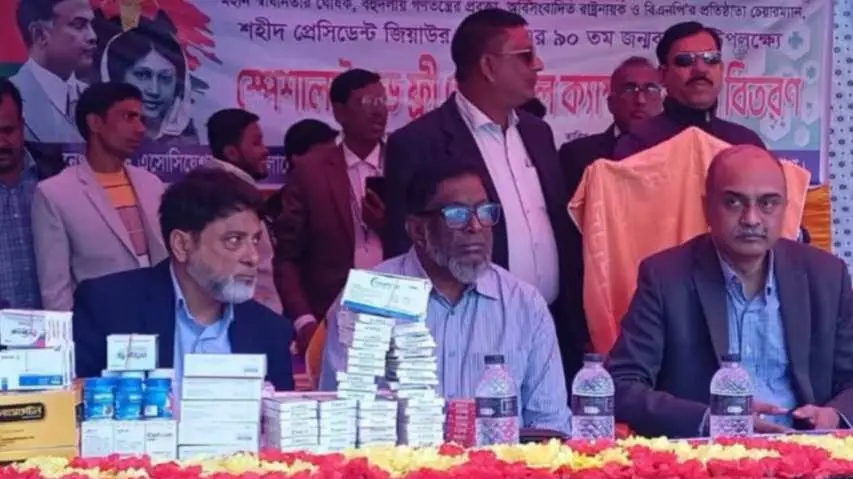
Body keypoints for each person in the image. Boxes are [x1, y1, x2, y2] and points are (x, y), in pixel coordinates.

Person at [382, 8, 585, 380]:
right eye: (525, 56)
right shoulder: (419, 142)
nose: (538, 65)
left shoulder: (538, 133)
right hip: (470, 335)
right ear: (489, 66)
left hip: (551, 324)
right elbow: (404, 249)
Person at [607, 144, 853, 438]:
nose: (751, 219)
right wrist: (710, 420)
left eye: (768, 203)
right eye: (734, 203)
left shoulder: (826, 275)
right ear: (706, 207)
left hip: (809, 451)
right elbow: (621, 384)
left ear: (785, 208)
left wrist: (834, 415)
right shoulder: (666, 277)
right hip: (706, 453)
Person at [321, 163, 571, 434]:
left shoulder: (524, 305)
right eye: (457, 215)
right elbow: (340, 421)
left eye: (485, 212)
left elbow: (549, 425)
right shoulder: (366, 301)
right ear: (418, 230)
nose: (475, 226)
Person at [72, 168, 294, 390]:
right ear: (182, 245)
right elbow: (73, 401)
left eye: (255, 240)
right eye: (234, 240)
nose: (253, 257)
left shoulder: (271, 332)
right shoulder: (109, 309)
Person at [275, 69, 387, 354]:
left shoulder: (405, 161)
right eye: (367, 103)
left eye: (382, 102)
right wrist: (304, 321)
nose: (378, 112)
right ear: (339, 113)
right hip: (332, 319)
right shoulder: (311, 171)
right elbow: (288, 257)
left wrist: (388, 226)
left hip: (399, 314)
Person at [31, 82, 168, 311]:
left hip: (158, 315)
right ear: (95, 123)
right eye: (128, 117)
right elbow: (55, 289)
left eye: (141, 119)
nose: (140, 129)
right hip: (100, 323)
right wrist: (68, 332)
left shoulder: (151, 184)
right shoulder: (55, 193)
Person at [612, 22, 764, 160]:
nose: (700, 69)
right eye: (685, 60)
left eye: (711, 59)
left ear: (722, 70)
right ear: (663, 75)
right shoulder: (637, 145)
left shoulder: (745, 144)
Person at [201, 108, 282, 315]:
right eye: (256, 143)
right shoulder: (223, 194)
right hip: (242, 314)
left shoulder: (231, 187)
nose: (265, 151)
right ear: (232, 153)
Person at [0, 79, 64, 309]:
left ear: (22, 124)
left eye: (7, 130)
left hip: (57, 326)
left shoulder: (56, 178)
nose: (1, 143)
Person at [559, 56, 662, 197]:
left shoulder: (678, 152)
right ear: (611, 103)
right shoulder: (576, 155)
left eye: (650, 89)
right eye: (629, 90)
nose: (640, 100)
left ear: (661, 100)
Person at [98, 16, 196, 144]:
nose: (154, 90)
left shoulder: (192, 146)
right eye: (143, 75)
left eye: (165, 78)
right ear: (118, 78)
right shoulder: (95, 137)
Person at [11, 0, 96, 143]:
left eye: (91, 25)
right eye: (78, 25)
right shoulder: (9, 101)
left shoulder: (97, 100)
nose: (92, 36)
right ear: (40, 34)